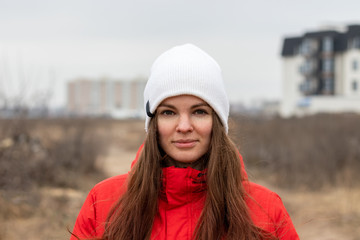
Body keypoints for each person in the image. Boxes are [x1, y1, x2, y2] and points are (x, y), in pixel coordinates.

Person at [70, 44, 299, 240]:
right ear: (154, 123)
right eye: (169, 113)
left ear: (217, 122)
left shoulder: (265, 209)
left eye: (199, 111)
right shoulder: (104, 203)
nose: (184, 126)